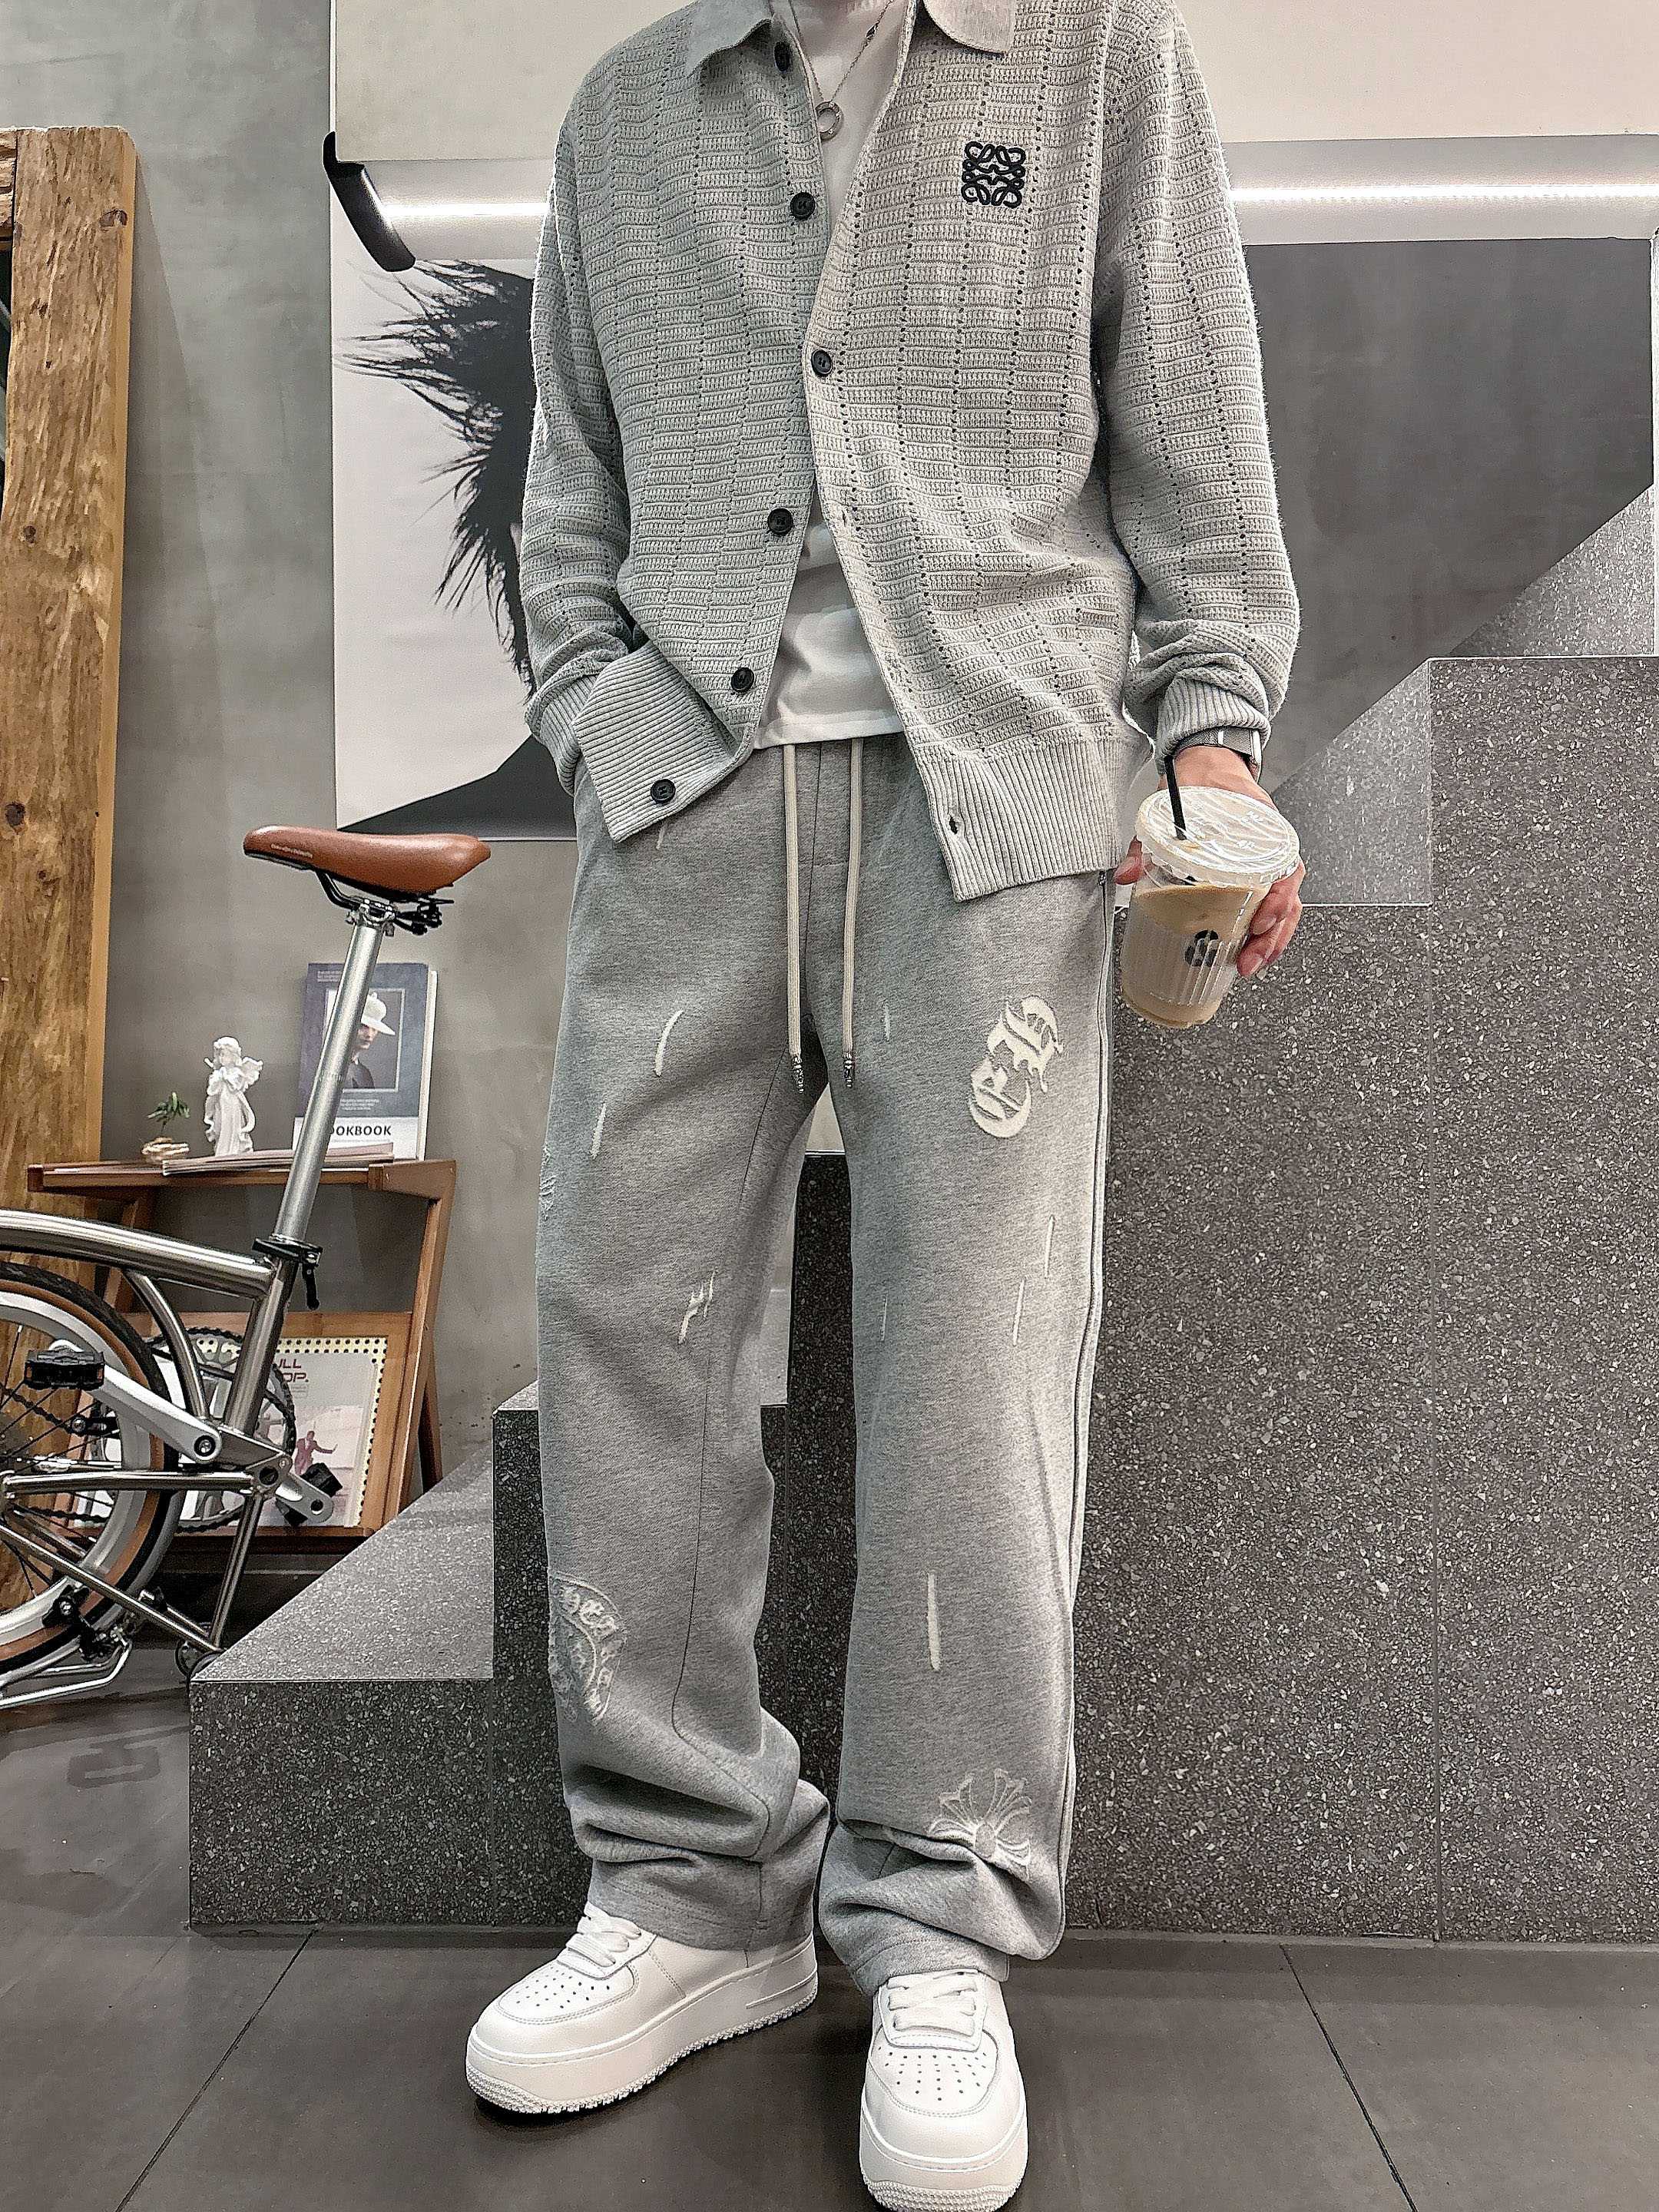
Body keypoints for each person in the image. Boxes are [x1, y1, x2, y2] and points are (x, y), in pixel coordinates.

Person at [468, 0, 1304, 2202]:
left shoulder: (1100, 60)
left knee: (974, 1369)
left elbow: (1199, 462)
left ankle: (938, 1921)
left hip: (995, 828)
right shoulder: (625, 113)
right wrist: (601, 723)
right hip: (690, 815)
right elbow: (569, 491)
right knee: (626, 1330)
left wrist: (1212, 750)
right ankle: (689, 1891)